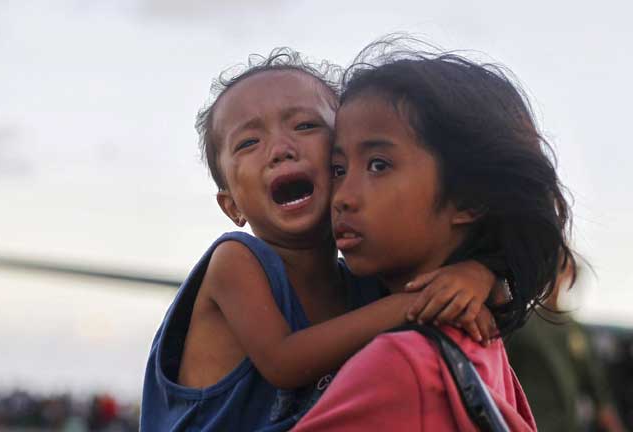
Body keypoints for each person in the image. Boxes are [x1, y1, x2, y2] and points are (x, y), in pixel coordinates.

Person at [141, 49, 508, 431]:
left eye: (304, 126)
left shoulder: (366, 283)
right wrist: (420, 302)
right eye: (248, 142)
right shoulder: (236, 261)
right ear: (232, 206)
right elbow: (284, 362)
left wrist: (475, 275)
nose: (281, 150)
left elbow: (500, 299)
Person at [294, 37, 574, 431]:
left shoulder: (403, 365)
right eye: (339, 170)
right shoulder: (484, 349)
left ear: (471, 198)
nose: (342, 197)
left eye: (378, 165)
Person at [507, 262, 628, 432]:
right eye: (556, 268)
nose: (558, 277)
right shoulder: (522, 325)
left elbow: (596, 390)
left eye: (565, 270)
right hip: (529, 425)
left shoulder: (574, 330)